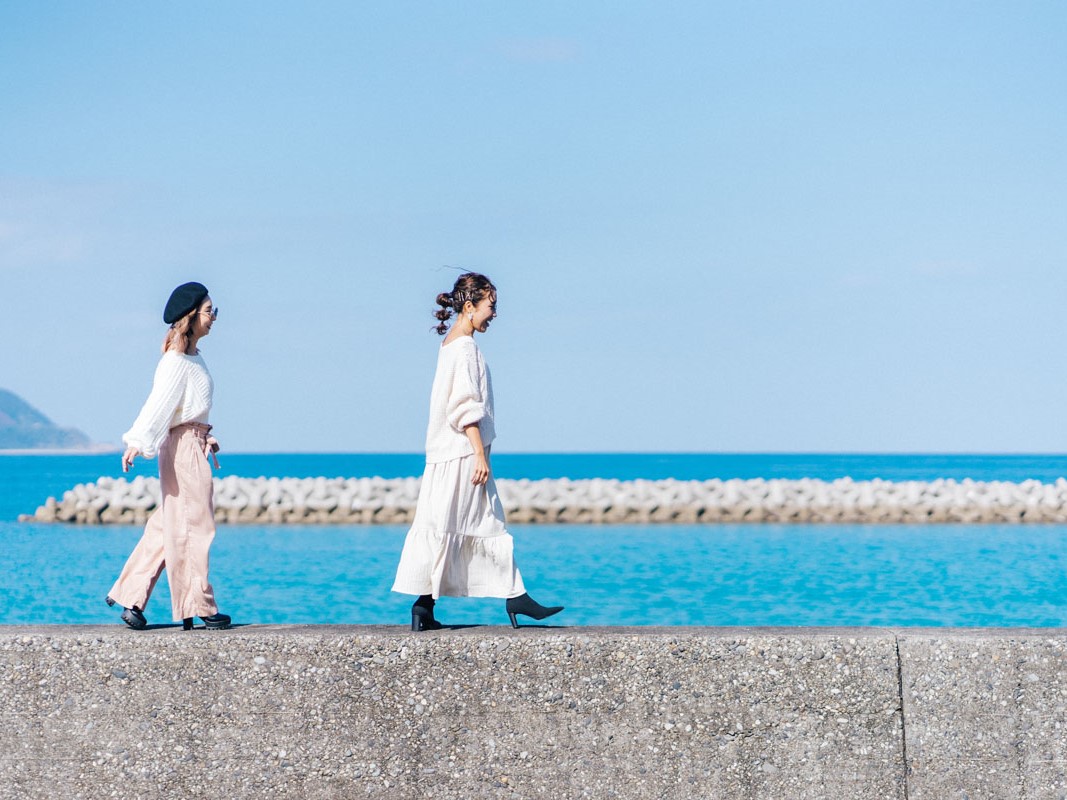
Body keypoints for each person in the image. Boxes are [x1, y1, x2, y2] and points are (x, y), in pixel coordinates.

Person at [393, 272, 563, 630]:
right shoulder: (466, 347)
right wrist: (479, 455)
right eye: (491, 306)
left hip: (445, 453)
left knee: (444, 523)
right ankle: (515, 597)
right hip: (462, 453)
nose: (495, 313)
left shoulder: (450, 344)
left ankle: (423, 607)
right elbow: (465, 405)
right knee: (487, 520)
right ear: (469, 307)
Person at [105, 281, 231, 631]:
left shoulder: (193, 358)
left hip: (191, 442)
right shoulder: (176, 361)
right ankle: (198, 604)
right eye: (209, 312)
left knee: (169, 525)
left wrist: (205, 433)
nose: (214, 318)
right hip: (183, 448)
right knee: (195, 526)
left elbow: (184, 410)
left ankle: (131, 597)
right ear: (191, 318)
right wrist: (137, 441)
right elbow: (158, 405)